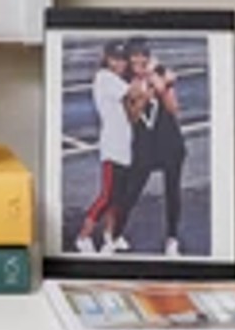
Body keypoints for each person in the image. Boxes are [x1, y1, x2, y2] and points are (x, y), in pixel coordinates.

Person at [113, 47, 194, 253]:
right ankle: (115, 235)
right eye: (134, 58)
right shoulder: (125, 85)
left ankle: (172, 238)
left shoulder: (161, 78)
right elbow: (131, 117)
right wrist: (143, 96)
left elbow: (173, 108)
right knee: (131, 191)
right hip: (144, 146)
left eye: (143, 57)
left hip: (169, 142)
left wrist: (161, 86)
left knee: (172, 191)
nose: (139, 61)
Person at [71, 41, 137, 253]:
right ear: (107, 59)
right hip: (112, 146)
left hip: (124, 145)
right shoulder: (105, 77)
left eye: (123, 59)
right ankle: (83, 236)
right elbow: (135, 93)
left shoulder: (115, 79)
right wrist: (147, 74)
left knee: (118, 197)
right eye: (115, 59)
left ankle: (111, 237)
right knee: (107, 195)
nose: (120, 63)